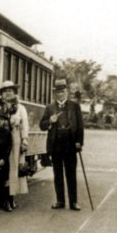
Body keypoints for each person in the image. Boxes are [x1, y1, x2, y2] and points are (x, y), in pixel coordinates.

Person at [39, 79, 84, 211]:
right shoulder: (50, 108)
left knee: (71, 174)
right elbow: (42, 126)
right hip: (56, 145)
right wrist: (50, 121)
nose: (60, 94)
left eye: (62, 91)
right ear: (55, 93)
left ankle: (74, 202)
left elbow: (80, 126)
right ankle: (60, 201)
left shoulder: (74, 106)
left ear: (67, 92)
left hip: (70, 144)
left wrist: (79, 142)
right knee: (57, 174)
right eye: (58, 92)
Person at [0, 80, 29, 210]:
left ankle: (9, 200)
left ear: (14, 93)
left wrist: (24, 141)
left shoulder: (20, 108)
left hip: (14, 140)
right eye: (5, 91)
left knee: (12, 169)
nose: (7, 94)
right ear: (0, 94)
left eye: (10, 91)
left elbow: (25, 127)